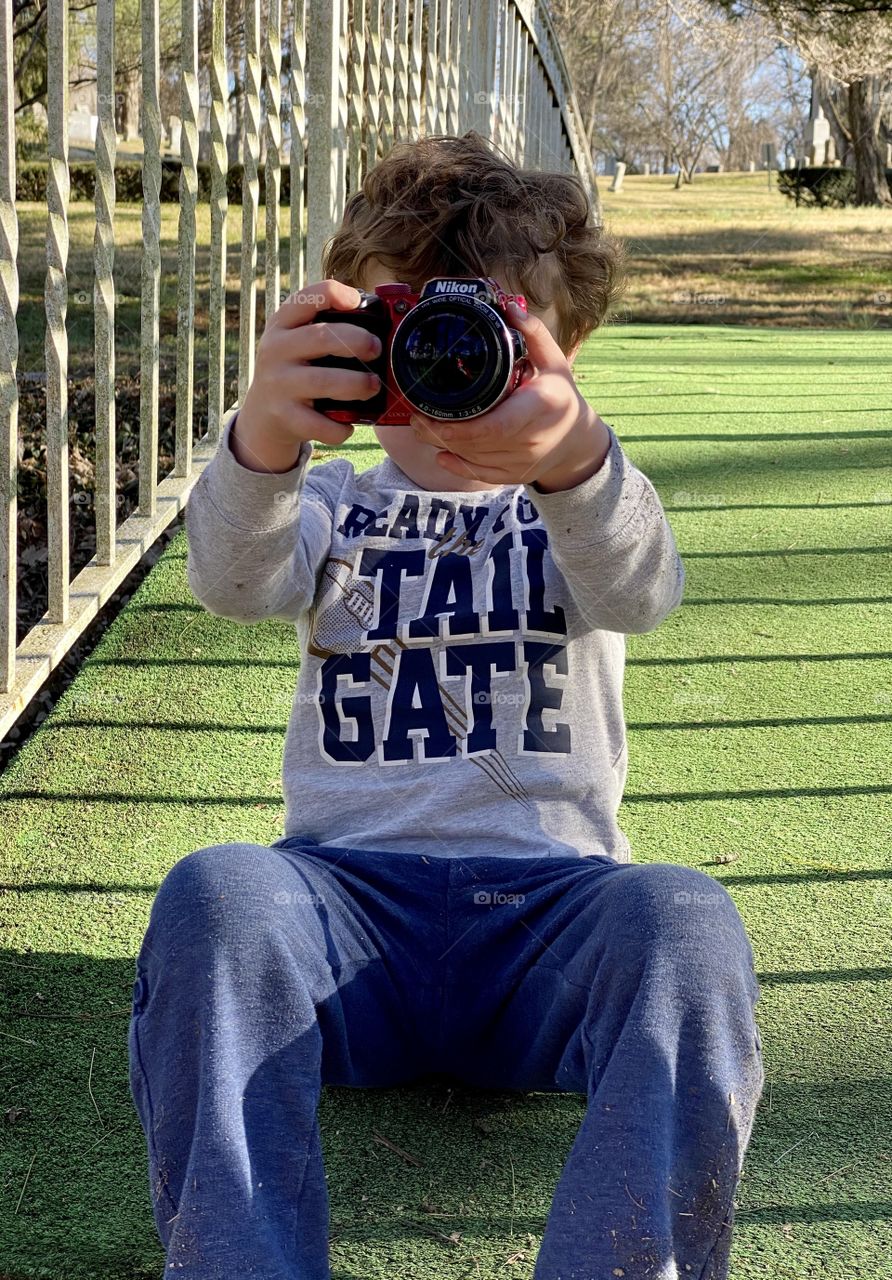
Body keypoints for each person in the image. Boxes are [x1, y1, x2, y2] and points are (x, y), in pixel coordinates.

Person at [128, 131, 764, 1280]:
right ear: (357, 346)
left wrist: (570, 455)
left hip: (551, 920)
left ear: (564, 353)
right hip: (341, 916)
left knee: (686, 916)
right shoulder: (326, 506)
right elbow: (229, 580)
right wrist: (264, 437)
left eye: (488, 341)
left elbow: (640, 587)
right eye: (411, 337)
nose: (446, 373)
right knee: (216, 890)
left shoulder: (578, 501)